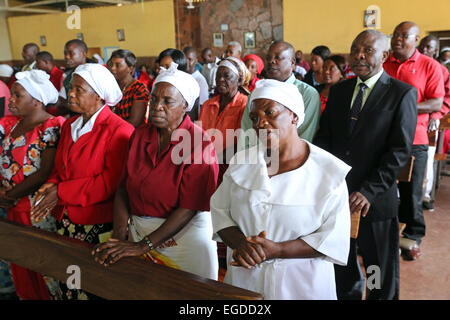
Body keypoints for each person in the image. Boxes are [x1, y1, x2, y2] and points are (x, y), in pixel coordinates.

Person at [211, 79, 351, 299]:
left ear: (294, 116)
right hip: (246, 279)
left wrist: (278, 250)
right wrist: (241, 244)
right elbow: (220, 211)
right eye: (255, 117)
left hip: (302, 283)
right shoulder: (242, 162)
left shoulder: (328, 172)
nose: (261, 123)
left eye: (270, 113)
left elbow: (333, 236)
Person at [91, 61, 219, 280]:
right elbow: (123, 187)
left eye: (168, 101)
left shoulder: (199, 143)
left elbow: (189, 208)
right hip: (140, 230)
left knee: (187, 294)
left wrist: (144, 245)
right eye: (154, 99)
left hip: (184, 237)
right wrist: (120, 235)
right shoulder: (140, 135)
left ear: (186, 105)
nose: (157, 106)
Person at [315, 29, 418, 300]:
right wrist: (325, 182)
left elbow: (398, 151)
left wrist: (369, 191)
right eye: (355, 48)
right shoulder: (339, 91)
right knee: (342, 265)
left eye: (368, 50)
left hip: (373, 200)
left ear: (384, 55)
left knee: (375, 270)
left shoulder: (400, 94)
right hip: (338, 198)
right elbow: (324, 140)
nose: (359, 55)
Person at [30, 63, 134, 300]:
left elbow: (109, 183)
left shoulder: (119, 130)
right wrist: (53, 184)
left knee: (94, 285)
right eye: (70, 88)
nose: (71, 94)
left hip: (96, 223)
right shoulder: (69, 125)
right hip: (66, 219)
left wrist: (61, 191)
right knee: (69, 281)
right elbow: (61, 167)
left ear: (98, 96)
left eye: (78, 89)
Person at [0, 69, 65, 299]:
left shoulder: (51, 126)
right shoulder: (9, 125)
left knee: (43, 266)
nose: (12, 100)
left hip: (36, 209)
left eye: (18, 96)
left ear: (36, 101)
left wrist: (10, 195)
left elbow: (44, 172)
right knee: (20, 264)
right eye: (13, 94)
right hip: (12, 207)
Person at [384, 21, 445, 261]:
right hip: (384, 137)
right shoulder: (384, 62)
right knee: (384, 187)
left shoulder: (429, 66)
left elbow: (436, 103)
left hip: (414, 138)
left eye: (403, 35)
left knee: (411, 192)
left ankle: (413, 235)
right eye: (395, 34)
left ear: (416, 39)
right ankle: (387, 232)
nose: (397, 39)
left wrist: (402, 107)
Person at [238, 41, 321, 148]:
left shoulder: (308, 94)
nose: (271, 61)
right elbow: (246, 134)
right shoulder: (257, 93)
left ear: (292, 62)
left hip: (290, 160)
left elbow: (304, 137)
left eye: (278, 57)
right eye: (268, 58)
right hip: (256, 159)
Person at [199, 56, 249, 183]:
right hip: (205, 165)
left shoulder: (245, 105)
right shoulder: (207, 105)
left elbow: (244, 142)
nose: (220, 79)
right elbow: (199, 136)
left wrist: (214, 159)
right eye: (218, 76)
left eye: (227, 76)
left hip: (232, 168)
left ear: (239, 81)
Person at [418, 35, 450, 211]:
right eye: (422, 46)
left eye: (429, 47)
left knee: (427, 159)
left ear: (435, 50)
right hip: (411, 118)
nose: (424, 50)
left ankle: (425, 194)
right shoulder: (414, 65)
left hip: (430, 120)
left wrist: (436, 114)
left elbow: (447, 97)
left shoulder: (441, 70)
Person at [109, 49, 150, 128]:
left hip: (130, 134)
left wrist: (111, 129)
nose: (112, 68)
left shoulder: (139, 89)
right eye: (111, 64)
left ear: (130, 68)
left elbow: (134, 122)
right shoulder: (111, 86)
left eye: (117, 65)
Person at [58, 39, 88, 117]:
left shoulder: (96, 73)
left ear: (83, 54)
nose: (67, 57)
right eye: (65, 54)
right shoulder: (67, 76)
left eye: (71, 54)